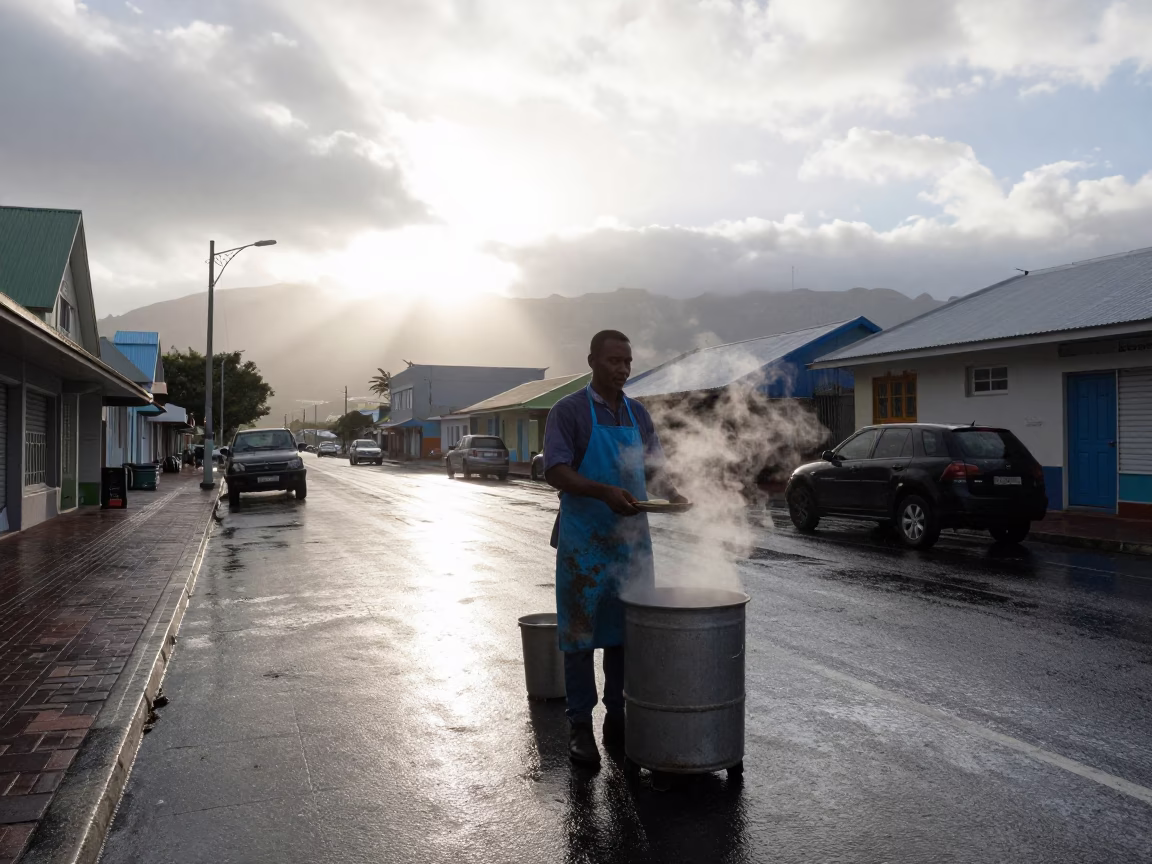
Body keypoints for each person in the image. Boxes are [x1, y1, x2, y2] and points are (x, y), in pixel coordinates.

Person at [543, 329, 686, 766]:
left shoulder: (638, 414)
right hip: (584, 543)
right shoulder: (568, 412)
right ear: (592, 361)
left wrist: (675, 494)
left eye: (627, 361)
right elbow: (556, 471)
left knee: (627, 634)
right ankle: (580, 726)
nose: (622, 369)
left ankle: (618, 716)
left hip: (631, 545)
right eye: (613, 361)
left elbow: (654, 469)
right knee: (580, 635)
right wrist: (604, 492)